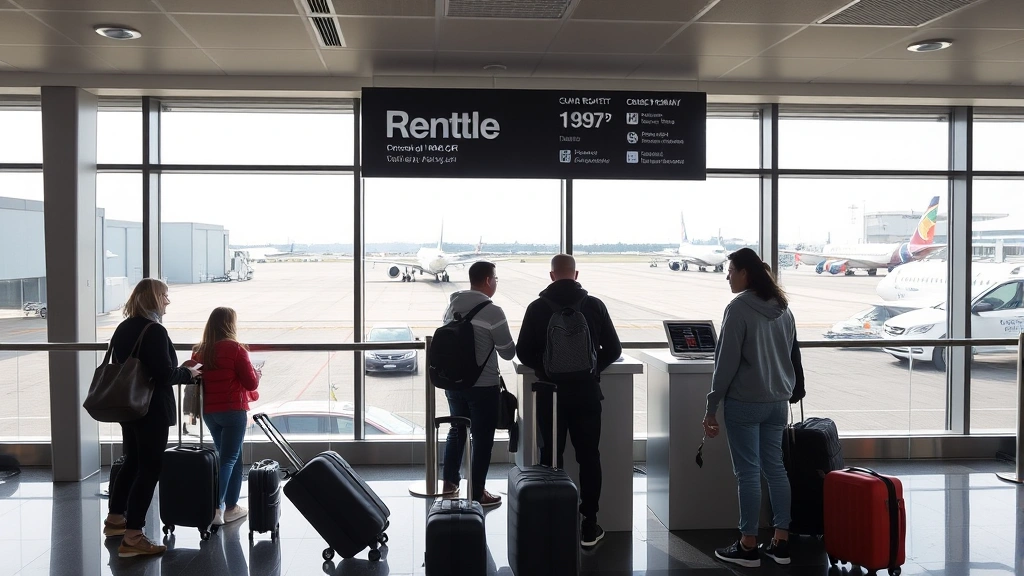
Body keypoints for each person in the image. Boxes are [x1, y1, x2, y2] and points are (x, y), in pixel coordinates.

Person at [702, 248, 805, 568]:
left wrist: (711, 406)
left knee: (747, 473)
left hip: (745, 402)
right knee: (775, 469)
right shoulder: (783, 308)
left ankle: (748, 546)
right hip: (777, 402)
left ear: (746, 272)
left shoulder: (738, 308)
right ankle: (781, 542)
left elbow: (726, 363)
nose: (727, 276)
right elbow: (791, 356)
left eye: (731, 270)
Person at [516, 254, 621, 549]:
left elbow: (523, 352)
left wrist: (545, 367)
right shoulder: (594, 305)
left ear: (551, 276)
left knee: (551, 457)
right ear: (576, 274)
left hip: (550, 394)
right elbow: (613, 348)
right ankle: (589, 525)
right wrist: (592, 370)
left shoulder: (537, 307)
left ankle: (555, 520)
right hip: (587, 394)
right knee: (589, 457)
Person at [103, 278, 201, 558]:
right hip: (150, 409)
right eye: (165, 296)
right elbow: (164, 375)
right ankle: (133, 535)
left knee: (132, 462)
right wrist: (188, 373)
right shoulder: (154, 330)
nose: (168, 301)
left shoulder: (124, 327)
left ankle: (115, 520)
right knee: (150, 468)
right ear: (154, 299)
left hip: (128, 406)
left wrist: (174, 369)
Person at [441, 261, 516, 507]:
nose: (495, 283)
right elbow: (508, 352)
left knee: (457, 430)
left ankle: (449, 484)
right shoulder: (493, 311)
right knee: (482, 439)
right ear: (487, 280)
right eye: (495, 278)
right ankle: (477, 493)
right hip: (483, 387)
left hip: (454, 383)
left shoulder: (451, 306)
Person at [189, 307, 261, 525]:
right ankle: (216, 507)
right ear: (230, 324)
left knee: (231, 458)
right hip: (233, 411)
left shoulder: (200, 351)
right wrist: (257, 373)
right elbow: (251, 383)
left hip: (211, 412)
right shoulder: (236, 349)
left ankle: (231, 507)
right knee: (228, 459)